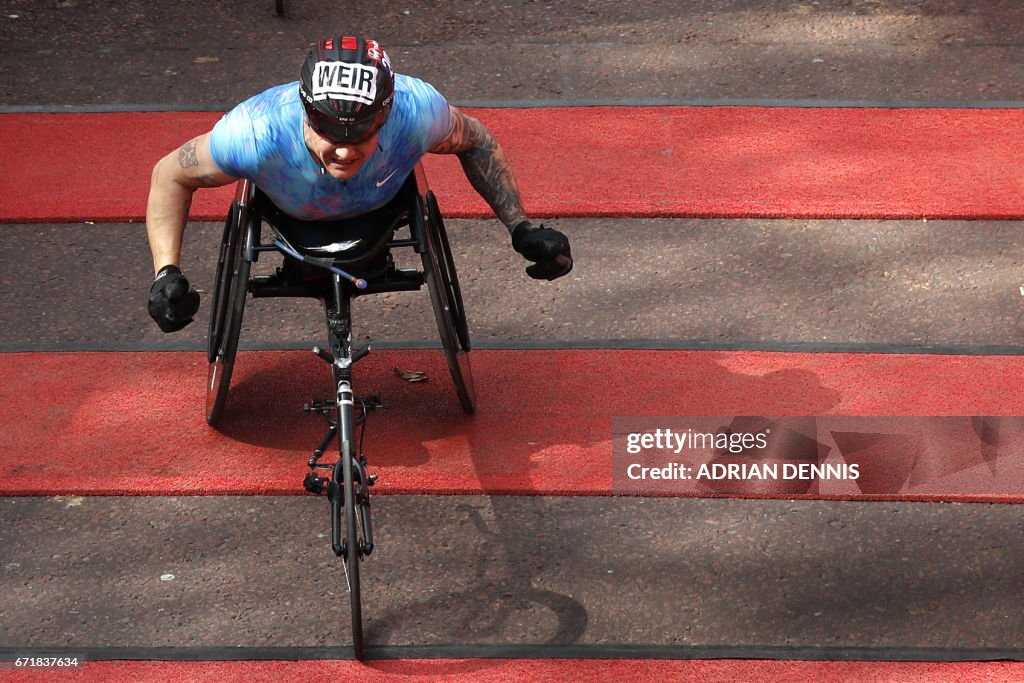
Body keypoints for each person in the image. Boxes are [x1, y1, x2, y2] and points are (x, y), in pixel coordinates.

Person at [146, 35, 573, 333]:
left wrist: (521, 229)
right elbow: (171, 173)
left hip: (381, 211)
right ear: (305, 112)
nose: (346, 151)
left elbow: (476, 140)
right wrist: (165, 272)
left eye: (362, 134)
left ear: (387, 113)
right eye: (331, 133)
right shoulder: (256, 131)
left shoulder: (416, 110)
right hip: (291, 217)